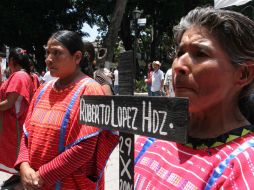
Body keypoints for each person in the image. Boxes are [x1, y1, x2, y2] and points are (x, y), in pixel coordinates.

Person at [135, 7, 254, 189]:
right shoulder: (151, 136)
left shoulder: (244, 166)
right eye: (180, 53)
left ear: (243, 74)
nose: (179, 66)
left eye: (200, 54)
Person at [14, 30, 118, 190]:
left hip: (69, 184)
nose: (49, 59)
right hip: (36, 183)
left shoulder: (90, 90)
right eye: (47, 52)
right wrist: (24, 166)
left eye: (57, 53)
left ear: (77, 57)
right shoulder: (43, 89)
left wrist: (42, 175)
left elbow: (85, 148)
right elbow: (26, 133)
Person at [0, 48, 39, 187]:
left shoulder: (18, 76)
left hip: (14, 123)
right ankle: (18, 176)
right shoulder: (30, 76)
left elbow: (9, 103)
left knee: (15, 151)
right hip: (20, 121)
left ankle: (20, 177)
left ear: (11, 61)